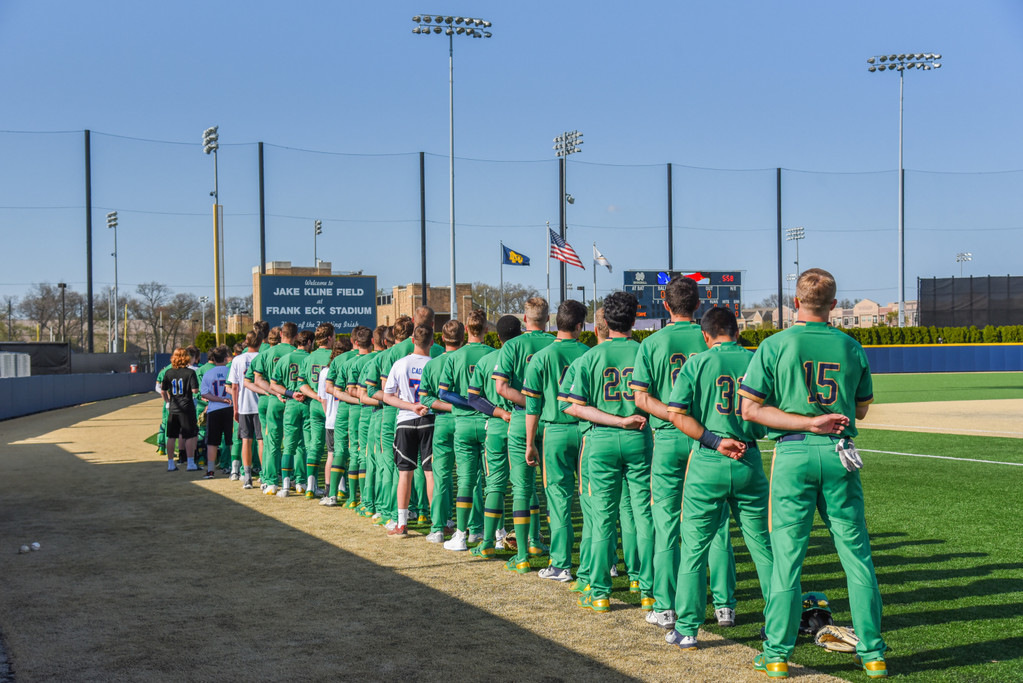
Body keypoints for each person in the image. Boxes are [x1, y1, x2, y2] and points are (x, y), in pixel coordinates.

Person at [739, 268, 886, 679]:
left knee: (787, 560)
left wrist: (805, 422)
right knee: (856, 556)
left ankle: (777, 653)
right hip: (839, 453)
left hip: (794, 452)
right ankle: (872, 653)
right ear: (835, 305)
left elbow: (750, 410)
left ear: (794, 301)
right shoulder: (851, 345)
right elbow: (860, 408)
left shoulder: (774, 344)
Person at [662, 307, 774, 651]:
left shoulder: (697, 362)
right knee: (763, 547)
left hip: (709, 458)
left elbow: (675, 413)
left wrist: (713, 440)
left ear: (706, 335)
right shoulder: (757, 359)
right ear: (737, 332)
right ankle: (777, 626)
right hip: (749, 456)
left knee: (694, 549)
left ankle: (687, 628)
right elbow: (773, 413)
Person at [630, 275, 735, 628]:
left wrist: (676, 414)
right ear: (701, 301)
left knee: (667, 523)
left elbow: (641, 398)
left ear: (664, 300)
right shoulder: (711, 337)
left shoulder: (653, 342)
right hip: (710, 437)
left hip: (669, 438)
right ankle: (724, 605)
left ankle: (666, 607)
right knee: (717, 524)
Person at [560, 291, 651, 613]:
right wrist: (627, 420)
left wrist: (616, 420)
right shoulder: (645, 352)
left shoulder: (589, 358)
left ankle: (599, 591)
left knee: (601, 519)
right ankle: (645, 587)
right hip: (640, 437)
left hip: (601, 440)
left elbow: (572, 407)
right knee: (642, 514)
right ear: (634, 318)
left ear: (604, 322)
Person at [522, 300, 590, 579]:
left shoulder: (542, 357)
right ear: (579, 326)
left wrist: (529, 442)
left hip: (556, 431)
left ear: (554, 322)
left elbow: (532, 406)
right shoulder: (589, 353)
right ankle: (601, 561)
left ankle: (562, 564)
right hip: (587, 430)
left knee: (559, 499)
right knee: (592, 499)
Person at [494, 297, 555, 574]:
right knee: (557, 489)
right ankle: (553, 552)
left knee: (521, 488)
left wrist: (529, 405)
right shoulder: (556, 343)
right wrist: (543, 406)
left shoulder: (512, 346)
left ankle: (521, 555)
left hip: (521, 421)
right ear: (548, 318)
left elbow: (502, 388)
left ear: (525, 319)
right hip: (554, 421)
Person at [466, 315, 520, 556]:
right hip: (524, 424)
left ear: (497, 336)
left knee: (495, 484)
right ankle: (530, 538)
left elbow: (473, 397)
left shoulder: (488, 360)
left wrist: (498, 412)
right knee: (524, 484)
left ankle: (488, 541)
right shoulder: (528, 358)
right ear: (519, 333)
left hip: (497, 427)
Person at [440, 311, 494, 551]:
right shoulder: (494, 354)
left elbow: (444, 393)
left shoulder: (454, 356)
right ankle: (494, 533)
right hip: (488, 422)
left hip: (462, 422)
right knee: (493, 479)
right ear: (485, 329)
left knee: (465, 480)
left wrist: (467, 401)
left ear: (466, 330)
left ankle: (461, 535)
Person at [379, 325, 437, 536]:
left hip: (405, 420)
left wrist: (411, 406)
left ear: (412, 340)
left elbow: (387, 396)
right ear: (432, 342)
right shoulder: (435, 364)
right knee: (430, 473)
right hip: (429, 419)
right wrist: (420, 406)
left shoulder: (400, 363)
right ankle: (437, 524)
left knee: (405, 474)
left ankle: (402, 523)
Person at [418, 320, 462, 543]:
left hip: (443, 422)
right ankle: (473, 527)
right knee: (470, 476)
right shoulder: (472, 358)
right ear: (462, 338)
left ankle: (438, 527)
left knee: (441, 476)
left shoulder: (433, 364)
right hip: (467, 420)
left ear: (442, 339)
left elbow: (424, 398)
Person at [248, 323, 296, 495]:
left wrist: (273, 391)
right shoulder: (298, 353)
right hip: (294, 399)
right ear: (295, 336)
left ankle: (270, 480)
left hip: (271, 401)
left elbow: (256, 380)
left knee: (271, 442)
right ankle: (296, 479)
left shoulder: (266, 353)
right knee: (295, 442)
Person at [334, 326, 374, 509]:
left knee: (353, 452)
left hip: (353, 409)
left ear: (355, 342)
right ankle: (368, 499)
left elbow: (338, 389)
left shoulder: (346, 361)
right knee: (371, 454)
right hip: (378, 408)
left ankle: (351, 497)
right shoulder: (379, 358)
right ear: (372, 341)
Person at [271, 330, 313, 497]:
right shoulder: (310, 358)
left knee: (289, 444)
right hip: (308, 402)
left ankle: (286, 484)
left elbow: (274, 384)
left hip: (292, 403)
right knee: (307, 445)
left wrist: (290, 393)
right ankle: (304, 483)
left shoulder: (285, 358)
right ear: (309, 342)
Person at [298, 322, 336, 499]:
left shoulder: (308, 357)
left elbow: (301, 384)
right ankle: (338, 487)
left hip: (315, 405)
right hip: (333, 404)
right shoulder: (335, 356)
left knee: (315, 446)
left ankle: (311, 486)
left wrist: (316, 396)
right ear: (329, 338)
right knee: (334, 449)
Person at [321, 335, 356, 506]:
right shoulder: (370, 358)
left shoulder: (330, 367)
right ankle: (357, 497)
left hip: (336, 413)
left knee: (335, 453)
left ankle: (331, 492)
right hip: (361, 411)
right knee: (358, 453)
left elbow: (326, 393)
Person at [229, 331, 264, 488]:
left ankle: (247, 476)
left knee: (246, 440)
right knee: (262, 440)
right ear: (260, 342)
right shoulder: (263, 356)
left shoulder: (238, 359)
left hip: (244, 405)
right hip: (261, 403)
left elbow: (234, 386)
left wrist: (235, 408)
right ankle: (264, 475)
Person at [161, 347, 200, 472]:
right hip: (187, 408)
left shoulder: (169, 372)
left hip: (174, 408)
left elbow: (163, 390)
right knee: (189, 436)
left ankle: (171, 463)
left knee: (171, 436)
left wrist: (168, 401)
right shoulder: (190, 373)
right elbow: (195, 390)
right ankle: (190, 463)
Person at [199, 345, 233, 480]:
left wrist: (219, 399)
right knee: (231, 440)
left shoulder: (209, 373)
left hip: (214, 410)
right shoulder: (230, 371)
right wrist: (225, 400)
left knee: (212, 442)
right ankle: (234, 469)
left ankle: (211, 470)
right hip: (230, 408)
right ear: (225, 358)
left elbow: (205, 394)